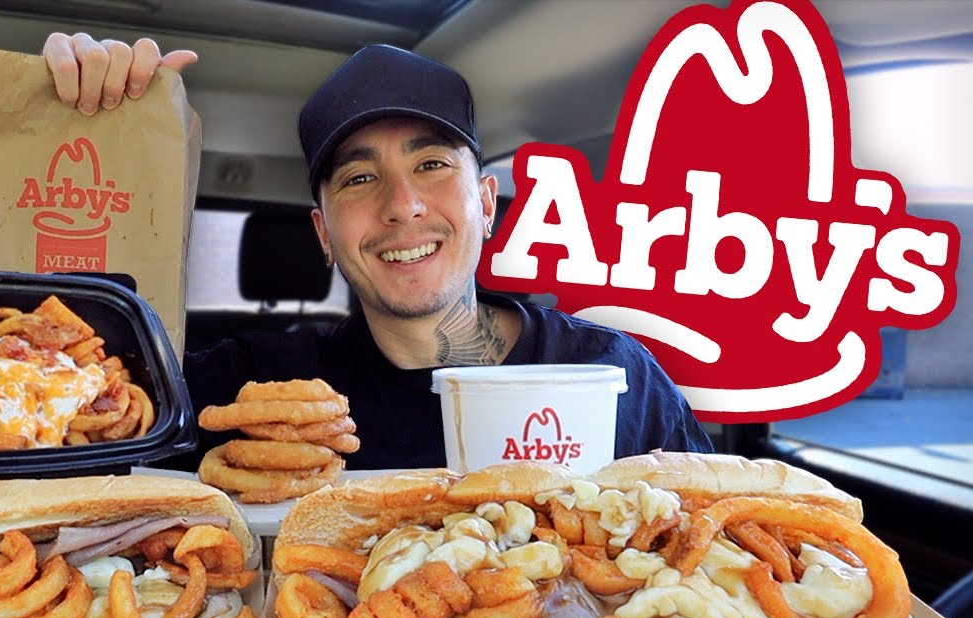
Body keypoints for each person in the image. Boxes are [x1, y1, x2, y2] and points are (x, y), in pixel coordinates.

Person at [42, 34, 714, 470]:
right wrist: (91, 131)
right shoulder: (249, 385)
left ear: (484, 201)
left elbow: (719, 549)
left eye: (431, 164)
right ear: (324, 235)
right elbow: (56, 425)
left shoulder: (611, 376)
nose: (402, 204)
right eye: (359, 178)